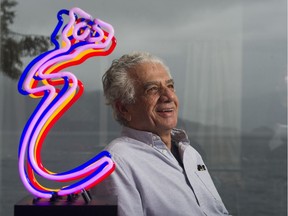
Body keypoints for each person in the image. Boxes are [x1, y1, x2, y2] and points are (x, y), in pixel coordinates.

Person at [91, 52, 230, 216]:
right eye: (153, 89)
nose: (169, 96)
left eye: (170, 86)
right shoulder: (115, 164)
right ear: (124, 108)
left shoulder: (191, 154)